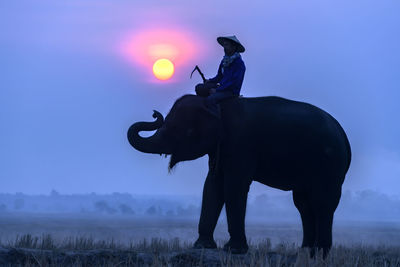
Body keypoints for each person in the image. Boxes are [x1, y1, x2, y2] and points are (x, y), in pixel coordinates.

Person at [195, 35, 246, 116]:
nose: (224, 47)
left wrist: (217, 90)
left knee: (211, 99)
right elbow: (219, 76)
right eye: (224, 45)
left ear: (234, 47)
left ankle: (216, 119)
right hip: (222, 87)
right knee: (199, 87)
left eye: (227, 45)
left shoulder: (239, 64)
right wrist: (210, 81)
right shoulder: (225, 61)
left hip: (230, 91)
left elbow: (234, 83)